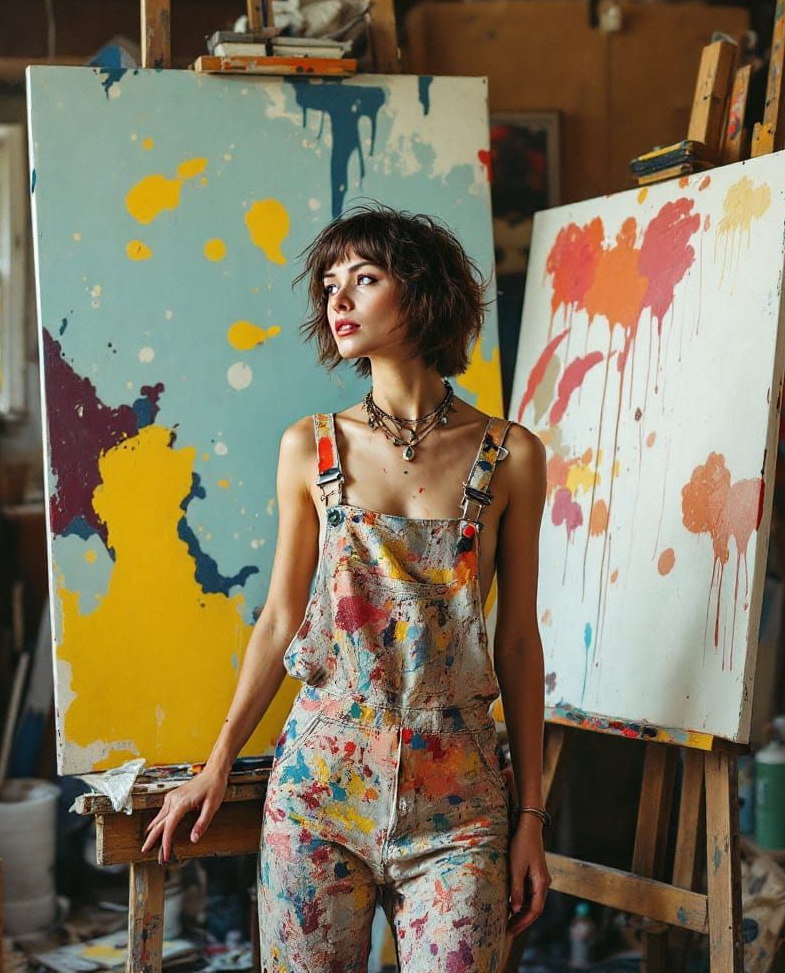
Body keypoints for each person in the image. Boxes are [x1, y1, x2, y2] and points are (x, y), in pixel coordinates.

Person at [141, 204, 550, 969]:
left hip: (458, 802)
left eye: (364, 279)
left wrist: (531, 816)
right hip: (319, 789)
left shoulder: (512, 454)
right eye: (330, 283)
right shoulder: (310, 446)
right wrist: (218, 762)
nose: (338, 300)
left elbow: (519, 642)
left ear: (423, 294)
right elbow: (279, 620)